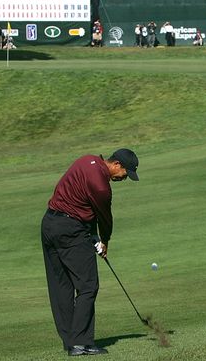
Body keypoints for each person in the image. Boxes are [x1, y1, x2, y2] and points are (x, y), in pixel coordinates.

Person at [41, 149, 139, 357]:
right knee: (87, 286)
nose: (124, 178)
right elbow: (105, 219)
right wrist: (104, 242)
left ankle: (70, 342)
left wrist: (91, 235)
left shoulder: (87, 160)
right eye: (125, 173)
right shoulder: (103, 187)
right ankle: (82, 343)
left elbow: (83, 204)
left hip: (49, 224)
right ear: (117, 165)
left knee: (61, 286)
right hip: (70, 231)